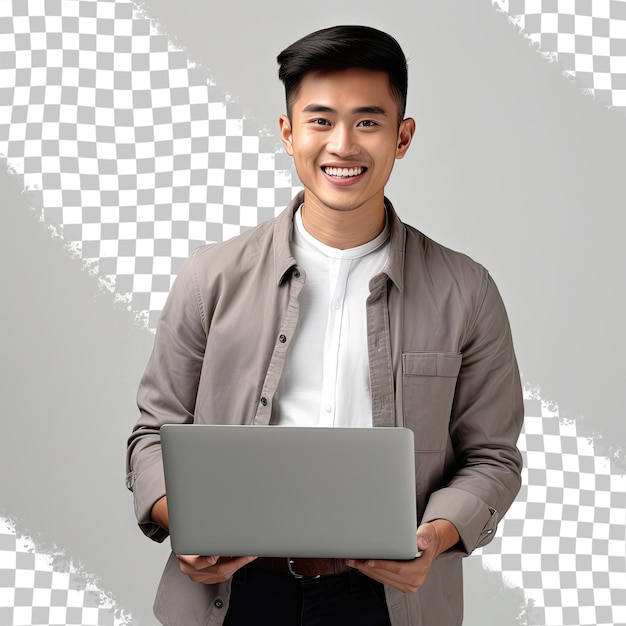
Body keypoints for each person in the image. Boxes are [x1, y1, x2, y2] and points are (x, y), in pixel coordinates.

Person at [126, 25, 524, 626]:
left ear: (402, 135)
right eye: (319, 121)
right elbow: (153, 433)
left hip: (388, 600)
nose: (343, 145)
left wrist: (437, 538)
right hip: (236, 594)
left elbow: (492, 456)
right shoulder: (212, 277)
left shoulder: (467, 290)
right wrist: (178, 519)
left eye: (367, 122)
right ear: (288, 133)